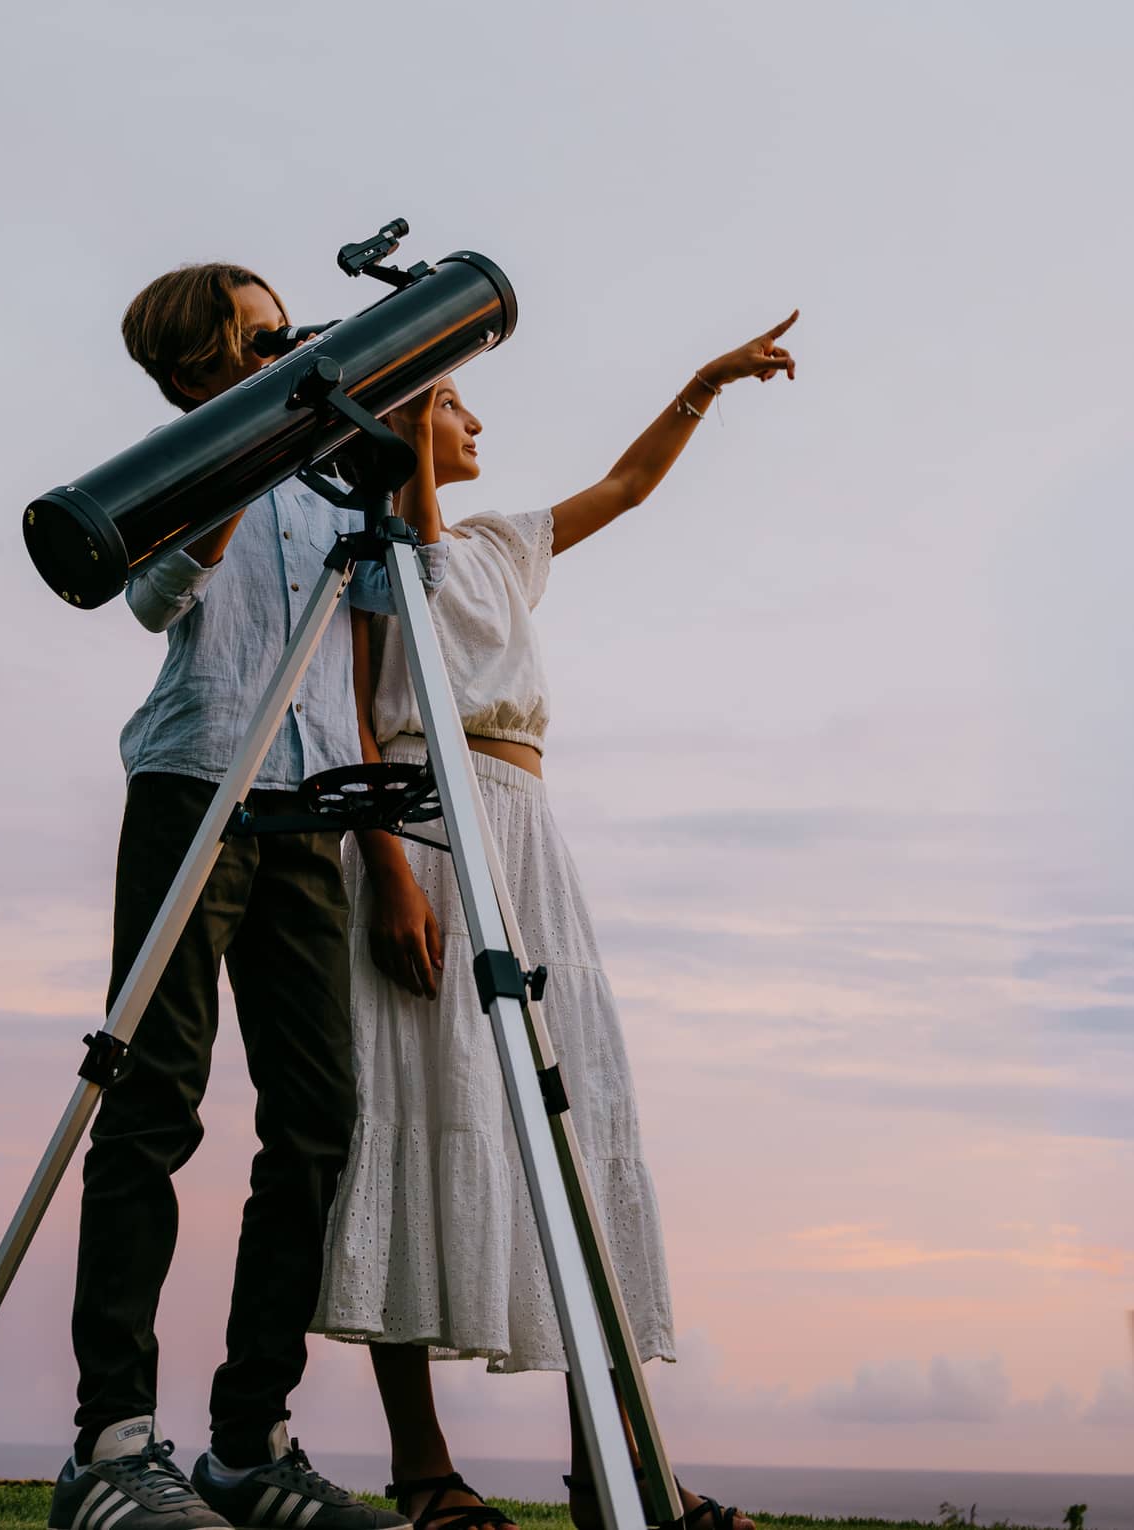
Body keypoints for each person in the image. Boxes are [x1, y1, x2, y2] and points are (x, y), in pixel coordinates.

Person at [313, 314, 800, 1530]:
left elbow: (627, 489)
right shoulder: (376, 558)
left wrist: (703, 384)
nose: (480, 425)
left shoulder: (500, 544)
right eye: (456, 408)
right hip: (425, 818)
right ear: (415, 418)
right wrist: (390, 871)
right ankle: (426, 1471)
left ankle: (618, 1469)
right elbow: (363, 718)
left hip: (529, 826)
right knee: (419, 1115)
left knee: (567, 1127)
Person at [49, 262, 449, 1530]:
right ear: (195, 367)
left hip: (307, 808)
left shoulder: (334, 460)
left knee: (319, 1118)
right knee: (154, 1102)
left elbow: (409, 602)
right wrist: (240, 468)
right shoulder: (179, 462)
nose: (290, 346)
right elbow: (154, 599)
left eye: (290, 330)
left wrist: (400, 454)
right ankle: (112, 1445)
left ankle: (249, 1441)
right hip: (193, 785)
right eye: (263, 335)